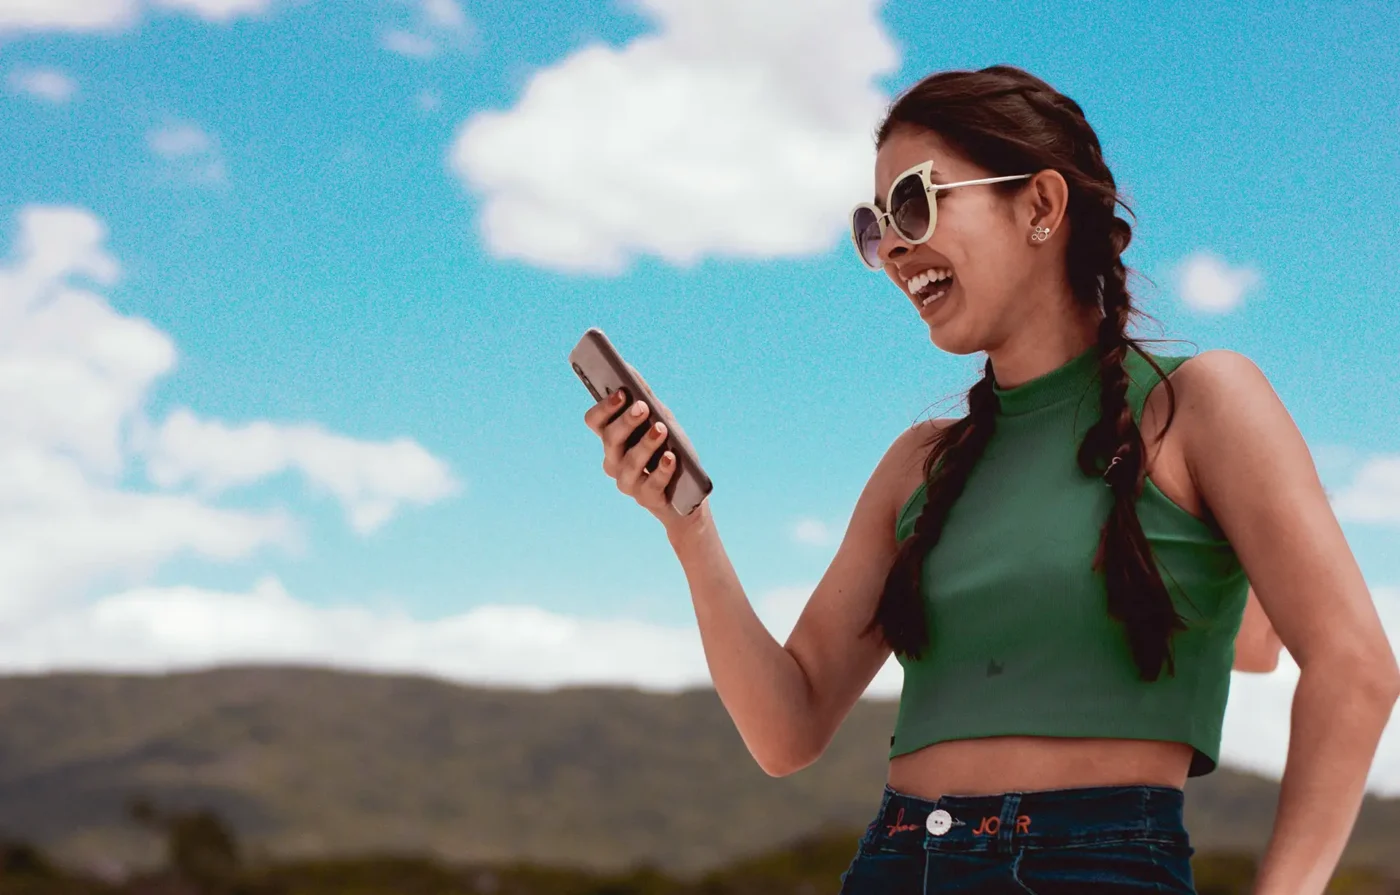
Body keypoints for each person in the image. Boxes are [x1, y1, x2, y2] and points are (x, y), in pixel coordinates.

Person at [582, 65, 1398, 894]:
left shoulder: (1201, 404)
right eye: (874, 226)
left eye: (913, 203)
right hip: (895, 859)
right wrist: (687, 525)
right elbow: (786, 728)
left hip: (1098, 864)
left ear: (1041, 206)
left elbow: (1354, 667)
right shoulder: (919, 465)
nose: (893, 246)